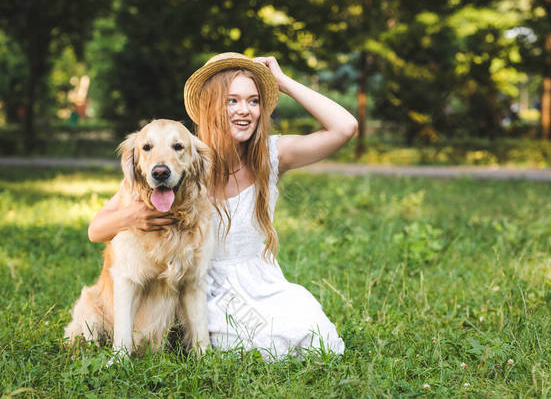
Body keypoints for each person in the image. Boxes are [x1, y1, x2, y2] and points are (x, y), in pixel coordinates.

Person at [88, 52, 358, 359]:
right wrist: (132, 215)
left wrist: (282, 83)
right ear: (211, 105)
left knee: (314, 335)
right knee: (247, 345)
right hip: (205, 289)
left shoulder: (271, 155)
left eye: (254, 101)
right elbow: (96, 230)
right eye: (232, 101)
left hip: (263, 283)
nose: (244, 110)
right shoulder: (186, 156)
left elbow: (345, 127)